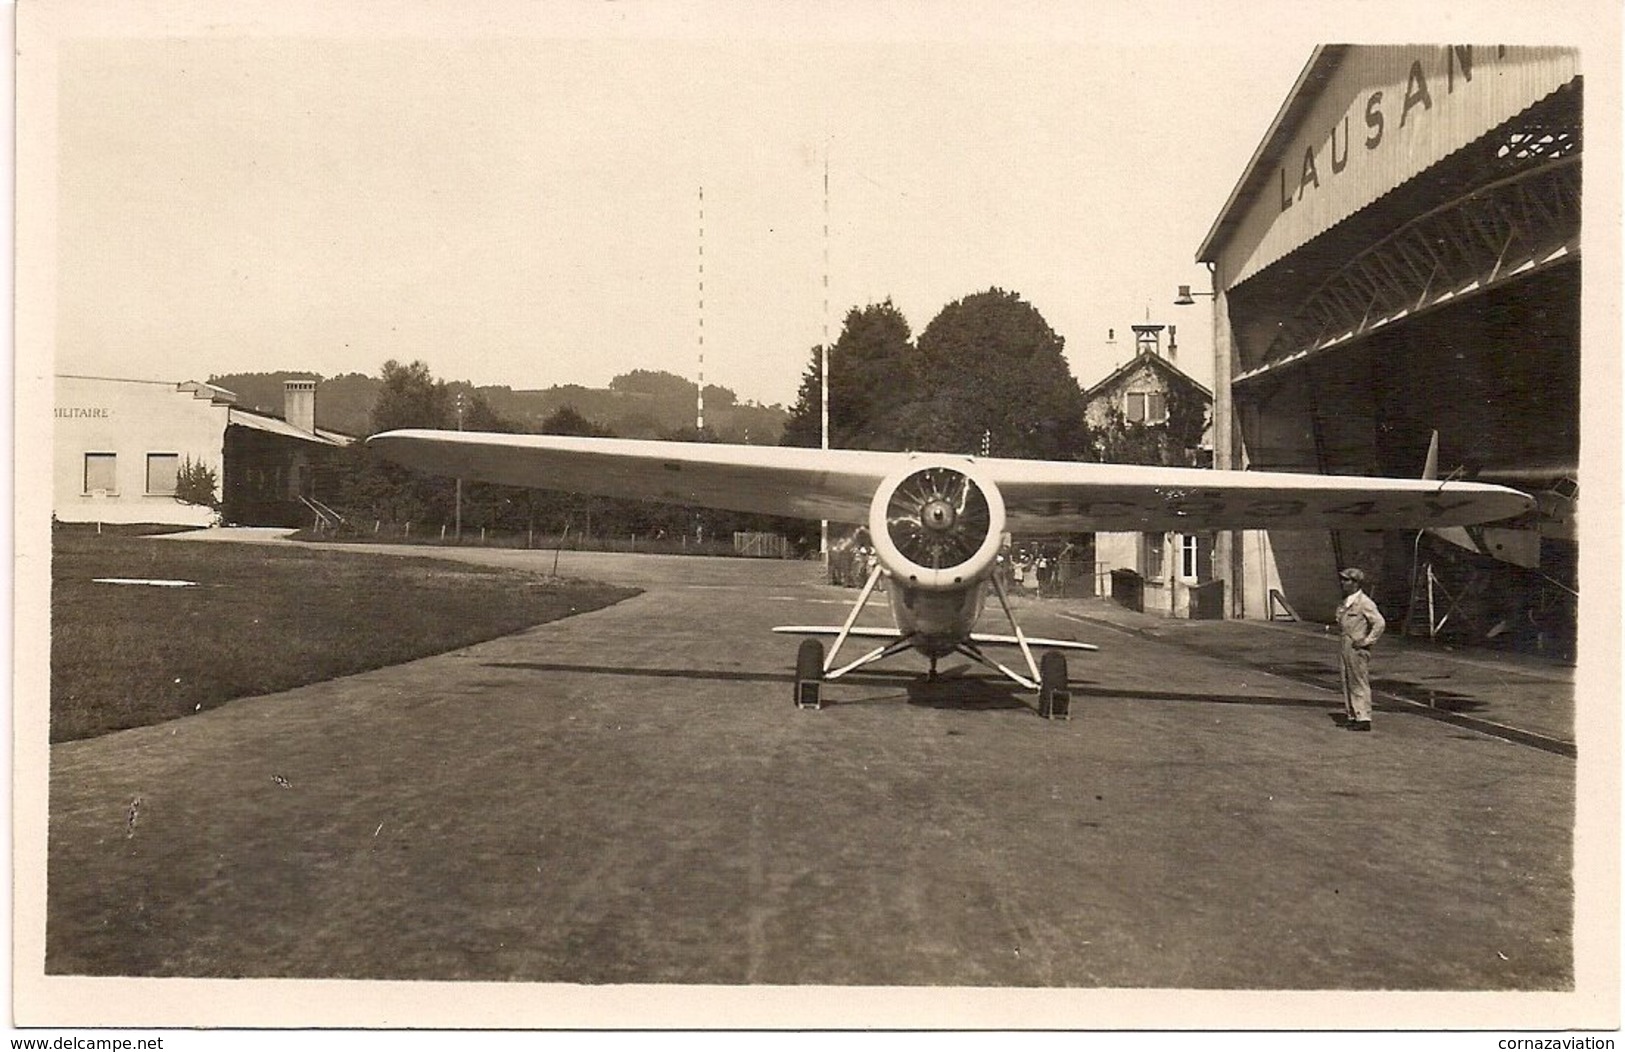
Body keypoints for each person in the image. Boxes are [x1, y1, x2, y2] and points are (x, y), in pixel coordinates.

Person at [1336, 567, 1386, 732]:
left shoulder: (1364, 603)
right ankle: (1353, 715)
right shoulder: (1347, 601)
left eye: (1347, 580)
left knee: (1358, 681)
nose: (1343, 583)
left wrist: (1367, 641)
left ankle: (1364, 718)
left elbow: (1379, 623)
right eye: (1343, 579)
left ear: (1356, 583)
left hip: (1357, 646)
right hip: (1345, 643)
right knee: (1347, 680)